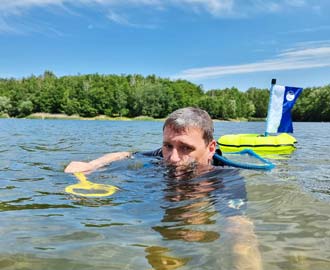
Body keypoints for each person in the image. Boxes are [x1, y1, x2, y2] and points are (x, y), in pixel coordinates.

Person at [64, 107, 263, 269]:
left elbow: (238, 226)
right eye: (168, 146)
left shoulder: (225, 177)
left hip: (200, 205)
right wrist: (92, 165)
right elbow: (125, 154)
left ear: (211, 148)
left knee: (194, 227)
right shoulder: (165, 154)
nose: (173, 158)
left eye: (186, 148)